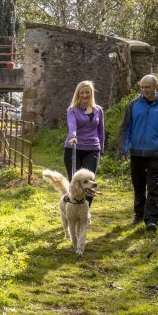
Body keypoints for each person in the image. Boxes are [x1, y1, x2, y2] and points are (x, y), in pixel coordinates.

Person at [118, 74, 158, 232]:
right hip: (136, 153)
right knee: (138, 186)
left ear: (156, 86)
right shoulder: (133, 105)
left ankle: (151, 220)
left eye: (147, 87)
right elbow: (125, 128)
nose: (144, 90)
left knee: (153, 187)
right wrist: (123, 150)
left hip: (156, 154)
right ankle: (139, 215)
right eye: (142, 87)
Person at [63, 80, 105, 216]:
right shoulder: (72, 110)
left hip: (92, 148)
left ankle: (85, 213)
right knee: (75, 184)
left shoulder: (98, 110)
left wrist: (101, 149)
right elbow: (72, 126)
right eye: (82, 93)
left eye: (88, 92)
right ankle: (72, 212)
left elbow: (101, 131)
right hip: (73, 148)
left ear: (91, 93)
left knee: (89, 184)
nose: (85, 95)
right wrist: (73, 136)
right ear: (78, 94)